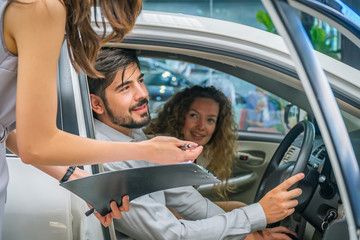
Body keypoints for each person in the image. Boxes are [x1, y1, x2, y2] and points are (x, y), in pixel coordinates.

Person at [0, 0, 202, 235]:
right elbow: (34, 145)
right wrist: (148, 150)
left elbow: (12, 131)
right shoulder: (42, 7)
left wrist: (79, 179)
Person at [88, 47, 303, 239]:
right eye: (126, 88)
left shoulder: (133, 135)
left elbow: (188, 201)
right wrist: (259, 215)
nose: (143, 94)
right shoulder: (108, 162)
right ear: (97, 104)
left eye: (141, 80)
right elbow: (174, 235)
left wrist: (252, 232)